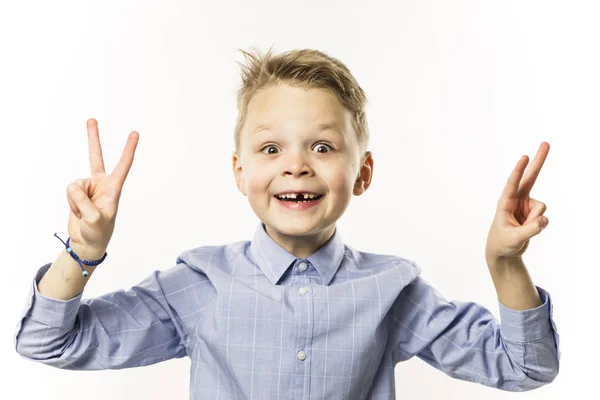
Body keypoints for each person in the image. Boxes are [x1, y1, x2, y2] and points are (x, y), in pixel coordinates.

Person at [14, 47, 560, 399]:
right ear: (239, 170)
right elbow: (47, 343)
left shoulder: (394, 291)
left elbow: (524, 368)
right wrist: (82, 251)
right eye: (271, 147)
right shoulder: (197, 286)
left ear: (362, 172)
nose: (296, 164)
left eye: (322, 146)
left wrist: (505, 262)